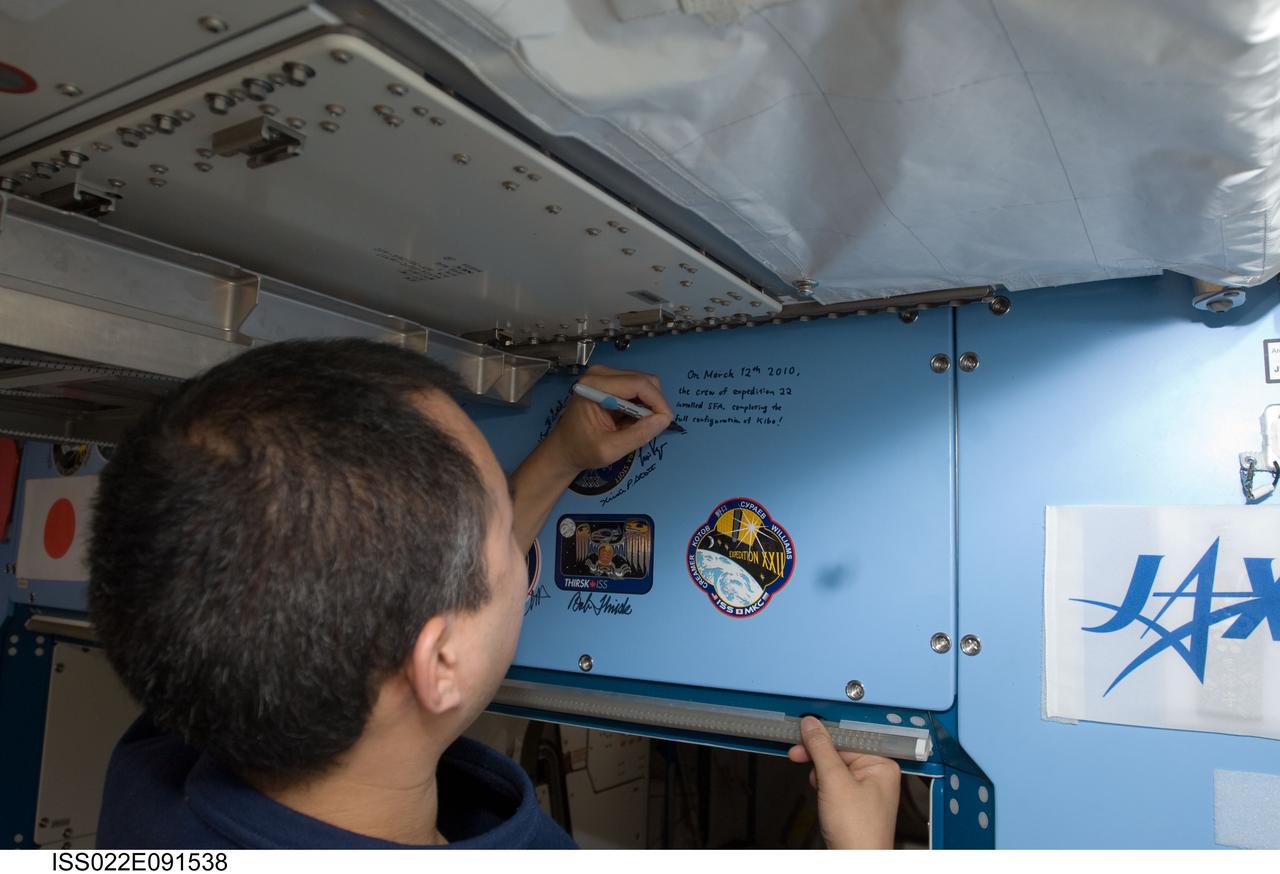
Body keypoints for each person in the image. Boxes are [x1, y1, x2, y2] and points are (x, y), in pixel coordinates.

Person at [88, 338, 900, 850]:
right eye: (501, 542)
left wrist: (556, 462)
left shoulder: (160, 773)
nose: (517, 559)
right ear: (441, 658)